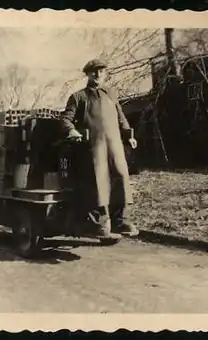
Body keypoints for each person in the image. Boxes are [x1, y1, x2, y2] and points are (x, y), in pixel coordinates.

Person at [60, 58, 139, 237]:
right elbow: (65, 119)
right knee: (99, 183)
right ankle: (100, 225)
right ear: (87, 74)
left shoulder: (111, 94)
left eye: (101, 71)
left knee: (121, 178)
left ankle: (122, 221)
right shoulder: (78, 97)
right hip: (93, 148)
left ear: (105, 73)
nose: (98, 74)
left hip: (115, 146)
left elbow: (121, 118)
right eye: (94, 71)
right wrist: (72, 131)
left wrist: (128, 135)